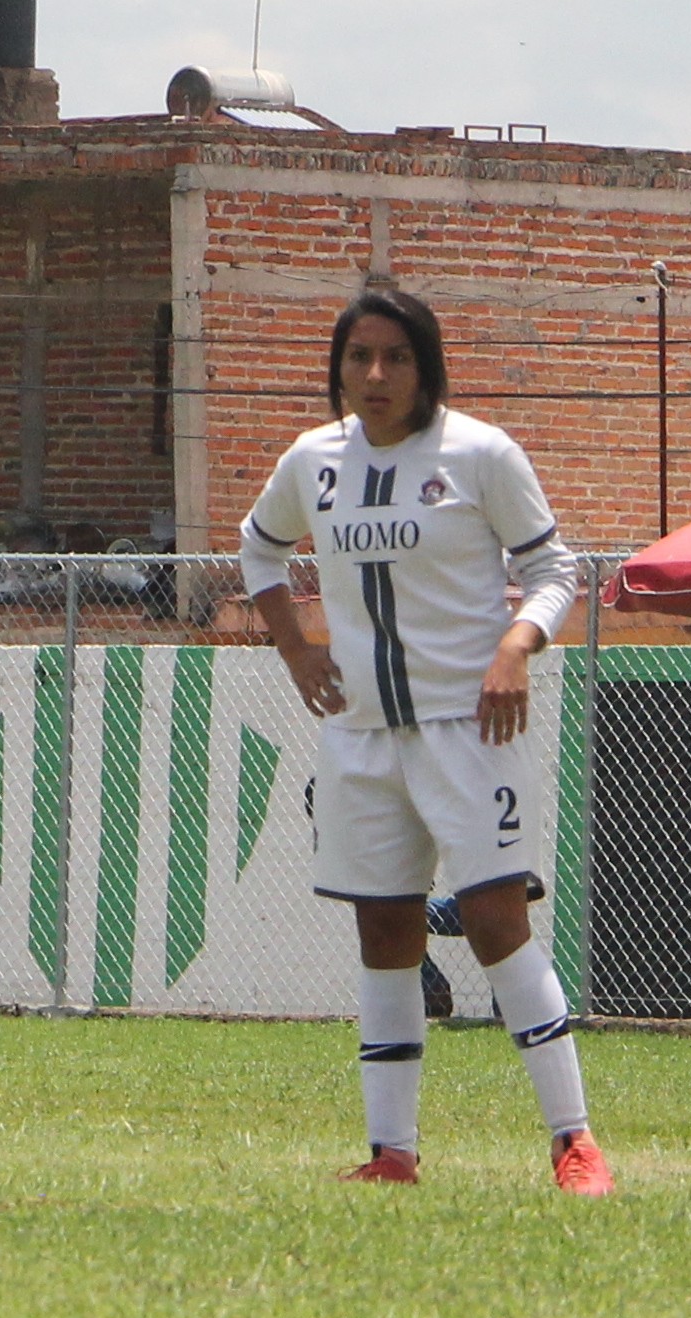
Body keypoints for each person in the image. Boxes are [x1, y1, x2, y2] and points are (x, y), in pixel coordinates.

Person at [242, 287, 607, 1193]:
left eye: (394, 358)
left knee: (493, 923)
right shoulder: (311, 460)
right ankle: (391, 1154)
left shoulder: (479, 452)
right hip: (361, 736)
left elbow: (554, 568)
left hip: (468, 729)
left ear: (424, 365)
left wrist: (516, 647)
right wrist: (294, 647)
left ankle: (573, 1142)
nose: (374, 375)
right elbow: (258, 549)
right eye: (358, 357)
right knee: (386, 930)